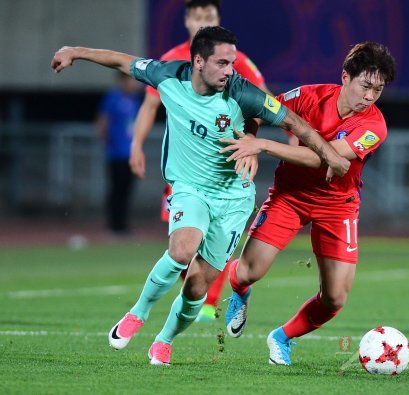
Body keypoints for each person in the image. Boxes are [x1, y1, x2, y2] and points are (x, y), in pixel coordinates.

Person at [51, 26, 349, 366]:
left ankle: (164, 340)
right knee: (182, 249)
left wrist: (330, 156)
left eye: (232, 63)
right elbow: (122, 62)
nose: (229, 71)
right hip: (189, 189)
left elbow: (297, 124)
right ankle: (138, 312)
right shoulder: (167, 75)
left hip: (233, 199)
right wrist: (75, 50)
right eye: (222, 63)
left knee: (196, 288)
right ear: (197, 61)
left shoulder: (243, 93)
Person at [220, 41, 396, 365]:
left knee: (335, 298)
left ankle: (282, 336)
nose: (370, 96)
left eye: (378, 90)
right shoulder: (308, 96)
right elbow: (261, 108)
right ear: (346, 76)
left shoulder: (374, 126)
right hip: (290, 195)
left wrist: (262, 145)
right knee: (248, 271)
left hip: (338, 205)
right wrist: (250, 135)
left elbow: (323, 158)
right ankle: (240, 292)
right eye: (365, 86)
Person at [130, 0, 276, 323]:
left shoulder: (232, 63)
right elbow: (149, 106)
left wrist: (251, 143)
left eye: (208, 16)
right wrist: (136, 144)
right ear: (186, 21)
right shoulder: (171, 60)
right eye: (197, 16)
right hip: (183, 167)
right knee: (182, 245)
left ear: (217, 19)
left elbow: (264, 102)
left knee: (211, 239)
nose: (201, 21)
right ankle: (193, 297)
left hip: (222, 168)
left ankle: (207, 302)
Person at [95, 72, 141, 236]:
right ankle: (114, 226)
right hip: (116, 153)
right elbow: (102, 120)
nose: (134, 84)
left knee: (127, 189)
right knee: (116, 189)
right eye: (130, 80)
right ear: (122, 80)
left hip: (131, 153)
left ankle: (123, 224)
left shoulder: (135, 100)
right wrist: (105, 141)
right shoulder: (113, 98)